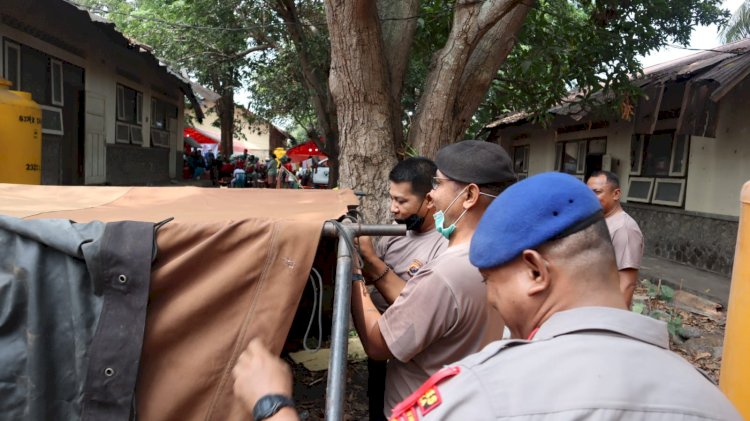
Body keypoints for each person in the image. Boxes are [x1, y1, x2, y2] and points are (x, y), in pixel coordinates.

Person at [232, 172, 742, 421]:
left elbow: (386, 341)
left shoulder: (482, 395)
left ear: (535, 272)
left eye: (492, 284)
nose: (493, 304)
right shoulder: (710, 401)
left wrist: (273, 405)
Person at [351, 140, 514, 416]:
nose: (432, 196)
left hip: (423, 410)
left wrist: (353, 270)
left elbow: (378, 345)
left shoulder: (445, 273)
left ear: (470, 195)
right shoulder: (503, 257)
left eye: (437, 184)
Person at [356, 157, 448, 421]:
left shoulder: (442, 245)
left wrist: (372, 261)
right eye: (392, 198)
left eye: (402, 201)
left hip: (412, 358)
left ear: (429, 200)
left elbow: (417, 307)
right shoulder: (396, 232)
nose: (393, 209)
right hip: (380, 343)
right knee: (377, 401)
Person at [587, 170, 644, 308]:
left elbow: (627, 284)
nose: (590, 197)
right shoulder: (598, 222)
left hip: (604, 312)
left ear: (616, 194)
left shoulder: (624, 229)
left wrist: (614, 323)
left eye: (597, 192)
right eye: (587, 192)